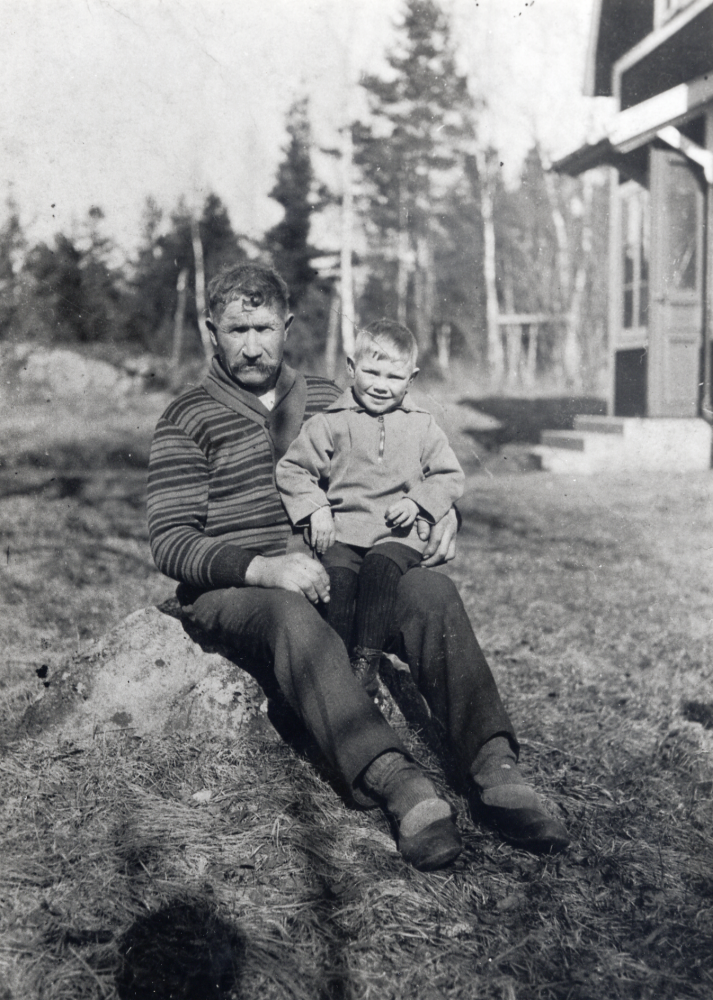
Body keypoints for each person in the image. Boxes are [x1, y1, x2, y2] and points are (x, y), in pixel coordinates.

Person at [147, 262, 569, 872]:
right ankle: (394, 779)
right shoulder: (187, 416)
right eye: (236, 329)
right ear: (211, 330)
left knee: (429, 593)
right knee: (292, 613)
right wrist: (264, 568)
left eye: (264, 328)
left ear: (287, 326)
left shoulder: (331, 400)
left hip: (345, 566)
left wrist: (443, 519)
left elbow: (414, 467)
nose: (251, 344)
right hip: (239, 587)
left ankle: (494, 765)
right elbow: (169, 538)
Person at [275, 319, 465, 698]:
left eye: (393, 377)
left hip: (397, 535)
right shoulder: (330, 421)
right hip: (344, 530)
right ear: (351, 368)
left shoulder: (422, 425)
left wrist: (418, 503)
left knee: (379, 568)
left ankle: (367, 661)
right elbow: (293, 469)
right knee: (337, 583)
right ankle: (338, 663)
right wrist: (316, 509)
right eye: (371, 371)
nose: (381, 385)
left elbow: (449, 475)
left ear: (411, 379)